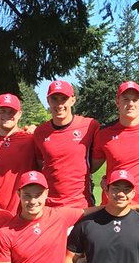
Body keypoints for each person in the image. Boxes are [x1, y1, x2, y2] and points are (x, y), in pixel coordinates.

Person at [91, 81, 139, 211]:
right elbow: (89, 167)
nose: (130, 103)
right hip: (112, 207)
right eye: (125, 99)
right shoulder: (104, 133)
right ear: (117, 102)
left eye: (135, 100)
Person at [33, 80, 99, 213]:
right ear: (48, 101)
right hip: (50, 206)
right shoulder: (40, 132)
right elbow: (40, 165)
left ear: (73, 100)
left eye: (64, 99)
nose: (59, 104)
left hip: (81, 205)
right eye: (54, 99)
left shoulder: (90, 126)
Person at [0, 93, 38, 217]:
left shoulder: (31, 139)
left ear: (19, 114)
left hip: (24, 213)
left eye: (11, 112)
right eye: (2, 111)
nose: (7, 115)